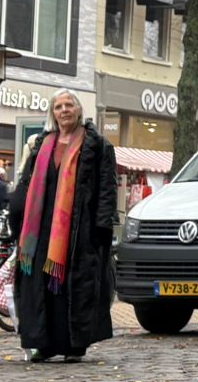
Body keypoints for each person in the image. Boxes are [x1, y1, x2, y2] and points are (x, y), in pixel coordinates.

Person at [8, 89, 117, 363]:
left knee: (71, 287)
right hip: (42, 229)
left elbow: (107, 189)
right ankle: (43, 342)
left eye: (69, 105)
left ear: (79, 110)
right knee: (42, 285)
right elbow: (27, 183)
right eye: (58, 107)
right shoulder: (42, 145)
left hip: (79, 230)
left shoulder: (97, 145)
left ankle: (73, 345)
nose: (64, 110)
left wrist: (102, 228)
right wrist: (17, 219)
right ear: (52, 113)